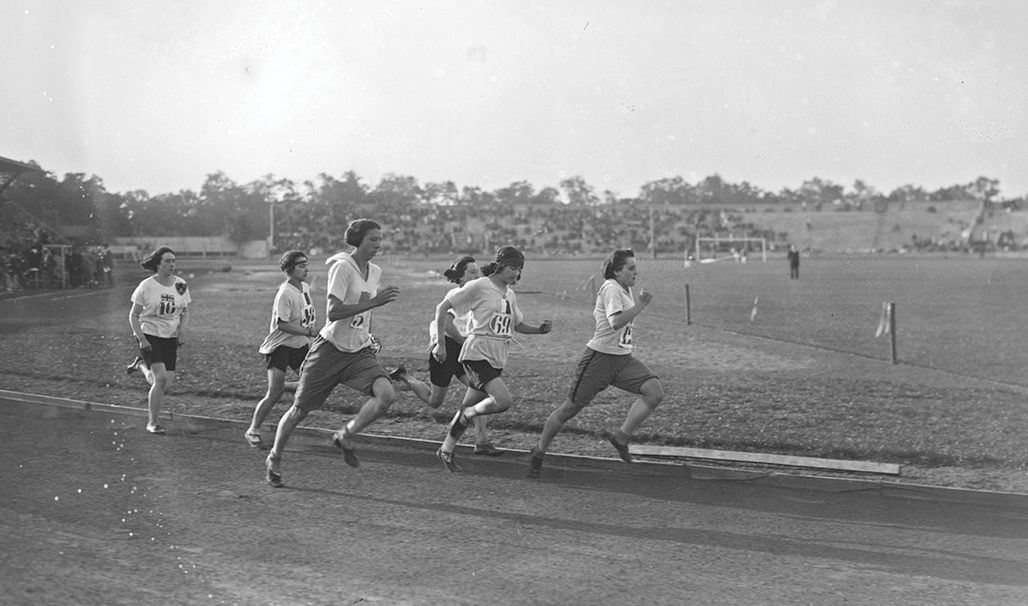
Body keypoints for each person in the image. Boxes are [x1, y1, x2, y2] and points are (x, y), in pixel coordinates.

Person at [264, 219, 400, 487]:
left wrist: (368, 334)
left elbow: (364, 310)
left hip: (359, 351)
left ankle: (345, 434)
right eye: (373, 239)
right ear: (358, 240)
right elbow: (334, 312)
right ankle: (274, 457)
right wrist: (374, 302)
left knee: (386, 395)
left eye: (380, 239)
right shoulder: (342, 268)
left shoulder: (375, 271)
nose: (378, 244)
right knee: (299, 411)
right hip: (329, 351)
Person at [527, 248, 664, 478]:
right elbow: (615, 322)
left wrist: (637, 304)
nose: (635, 273)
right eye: (630, 268)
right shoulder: (611, 288)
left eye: (636, 268)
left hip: (622, 359)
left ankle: (621, 437)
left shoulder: (624, 288)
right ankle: (538, 451)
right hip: (599, 359)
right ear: (616, 270)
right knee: (569, 409)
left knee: (654, 392)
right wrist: (641, 305)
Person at [433, 246, 552, 473]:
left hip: (497, 357)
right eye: (512, 268)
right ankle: (469, 417)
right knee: (503, 401)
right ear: (500, 265)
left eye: (519, 270)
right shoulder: (480, 285)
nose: (516, 274)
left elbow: (516, 324)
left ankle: (446, 449)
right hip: (477, 353)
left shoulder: (510, 294)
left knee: (467, 405)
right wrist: (440, 343)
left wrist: (539, 330)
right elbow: (443, 308)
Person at [388, 255, 502, 456]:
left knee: (479, 390)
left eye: (478, 271)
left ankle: (481, 441)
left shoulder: (478, 295)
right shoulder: (456, 294)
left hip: (463, 349)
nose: (477, 274)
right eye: (472, 271)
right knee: (434, 401)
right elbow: (447, 324)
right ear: (460, 277)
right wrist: (444, 344)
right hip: (447, 347)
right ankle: (404, 376)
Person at [244, 250, 317, 448]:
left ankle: (283, 385)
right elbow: (282, 324)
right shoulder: (285, 293)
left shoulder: (304, 287)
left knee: (311, 383)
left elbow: (305, 315)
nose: (306, 268)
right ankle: (253, 430)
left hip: (299, 345)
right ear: (289, 269)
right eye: (301, 265)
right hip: (280, 347)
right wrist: (308, 332)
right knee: (274, 395)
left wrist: (309, 335)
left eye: (306, 264)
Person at [127, 246, 191, 434]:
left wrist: (182, 332)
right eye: (168, 261)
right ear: (158, 264)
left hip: (170, 337)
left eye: (173, 261)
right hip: (150, 336)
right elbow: (133, 316)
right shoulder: (146, 286)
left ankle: (141, 366)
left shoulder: (180, 285)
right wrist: (141, 339)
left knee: (164, 383)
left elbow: (186, 311)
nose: (172, 264)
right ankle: (152, 423)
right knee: (161, 379)